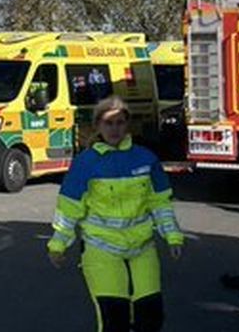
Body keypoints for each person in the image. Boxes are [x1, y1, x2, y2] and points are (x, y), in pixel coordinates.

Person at [47, 95, 183, 332]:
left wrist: (172, 237)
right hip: (102, 250)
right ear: (98, 125)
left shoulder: (146, 159)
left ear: (127, 124)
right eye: (108, 123)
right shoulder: (85, 163)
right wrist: (58, 244)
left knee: (151, 318)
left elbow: (160, 203)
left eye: (119, 122)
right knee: (114, 321)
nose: (114, 129)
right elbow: (69, 208)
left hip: (142, 248)